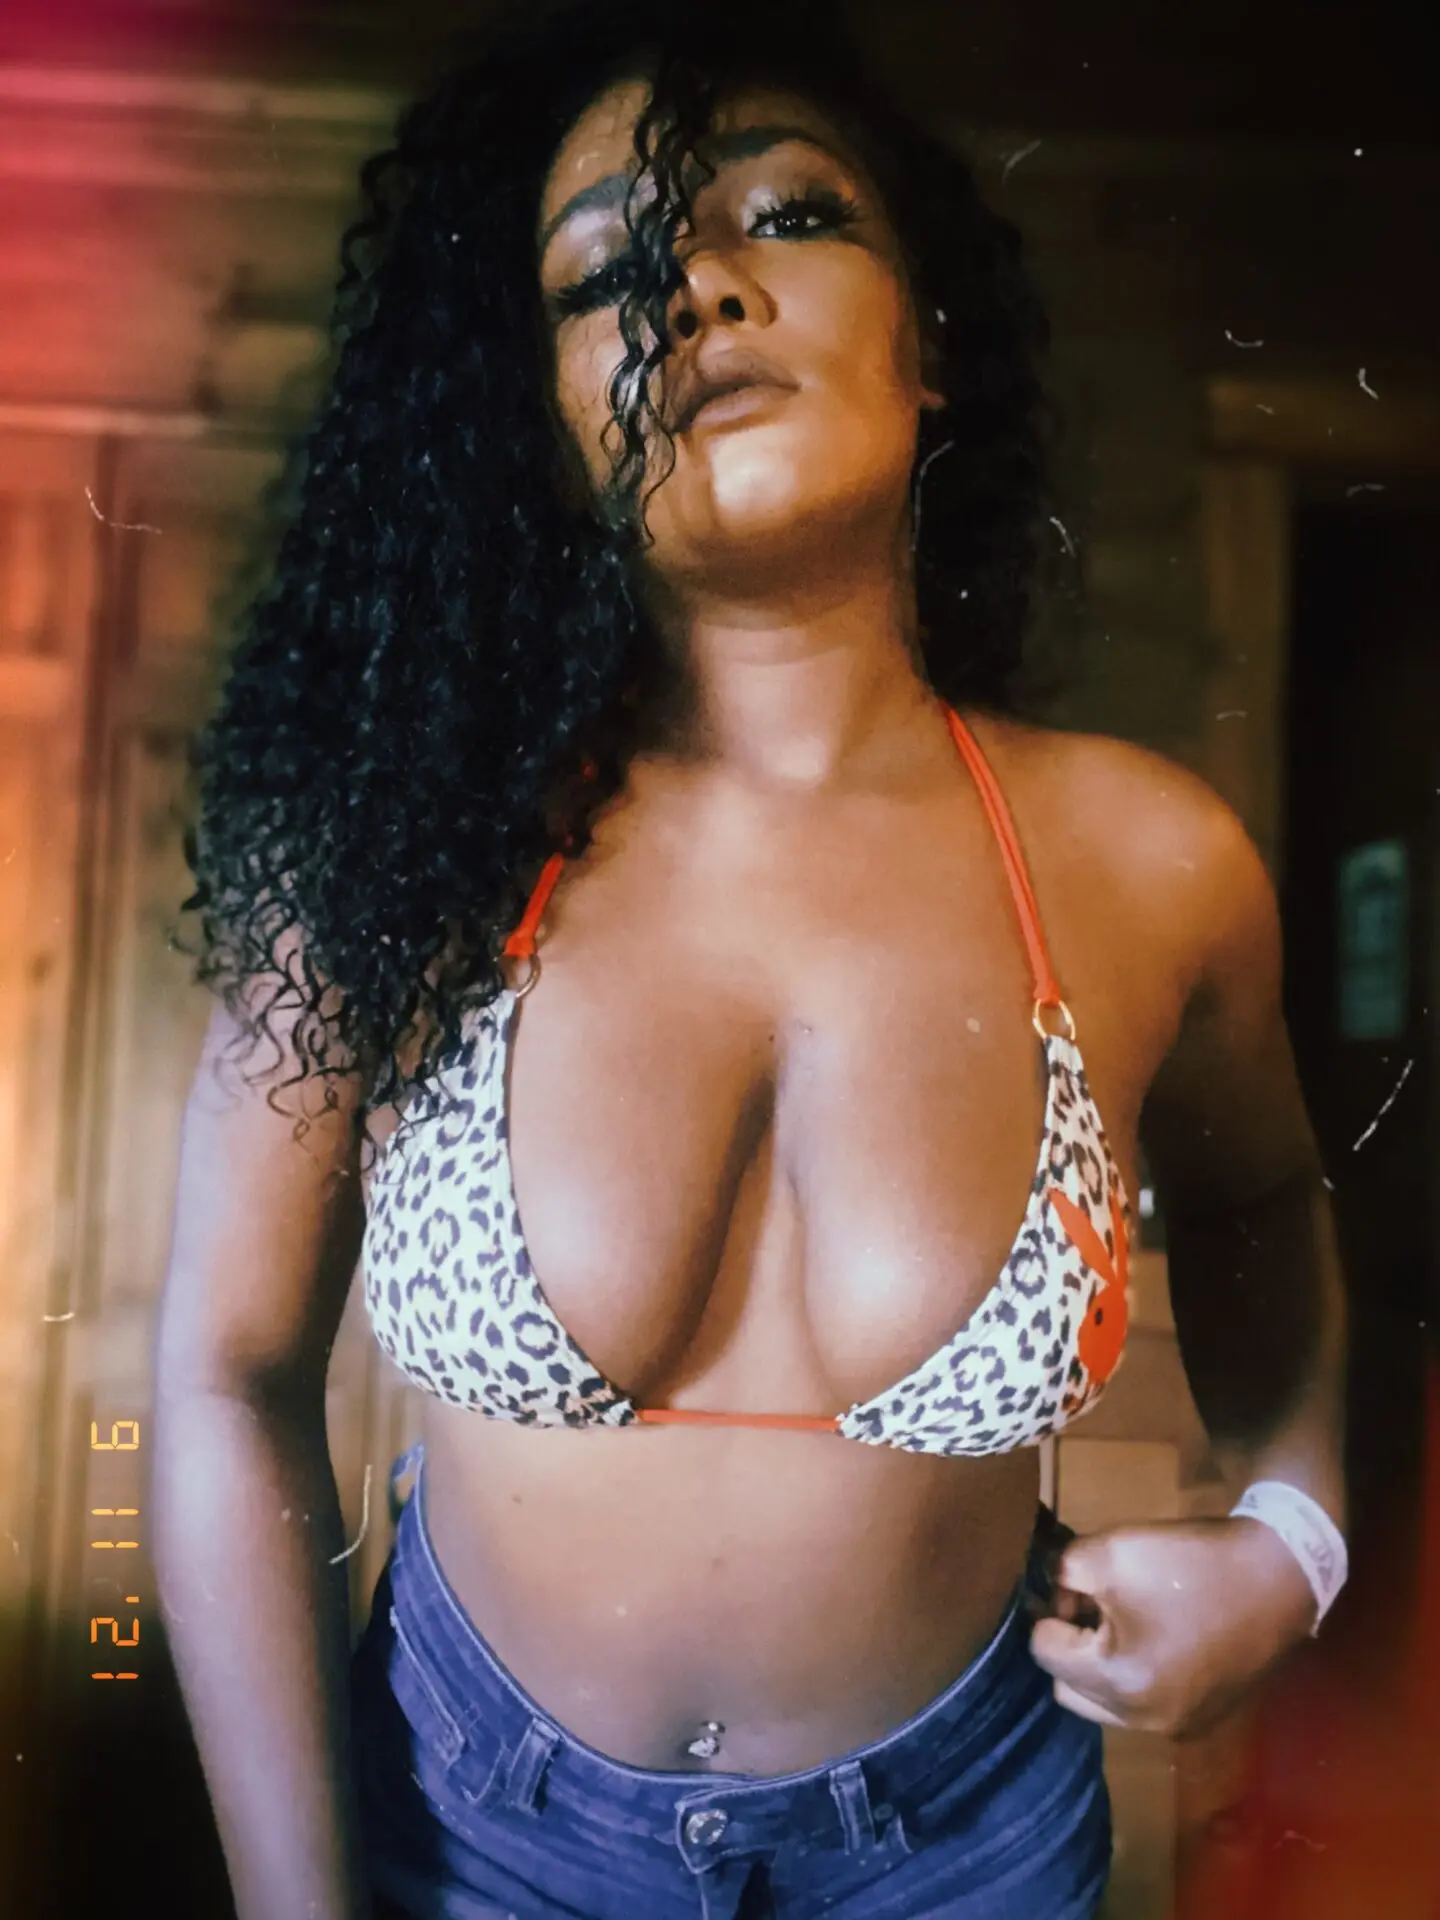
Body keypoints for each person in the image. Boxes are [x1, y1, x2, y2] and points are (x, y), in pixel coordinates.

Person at [149, 2, 1349, 1915]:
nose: (698, 287)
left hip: (970, 1854)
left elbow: (1268, 1195)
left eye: (789, 215)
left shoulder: (1151, 862)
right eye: (601, 276)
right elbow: (227, 1378)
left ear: (930, 345)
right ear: (544, 429)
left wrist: (1293, 1541)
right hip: (467, 1840)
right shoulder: (392, 854)